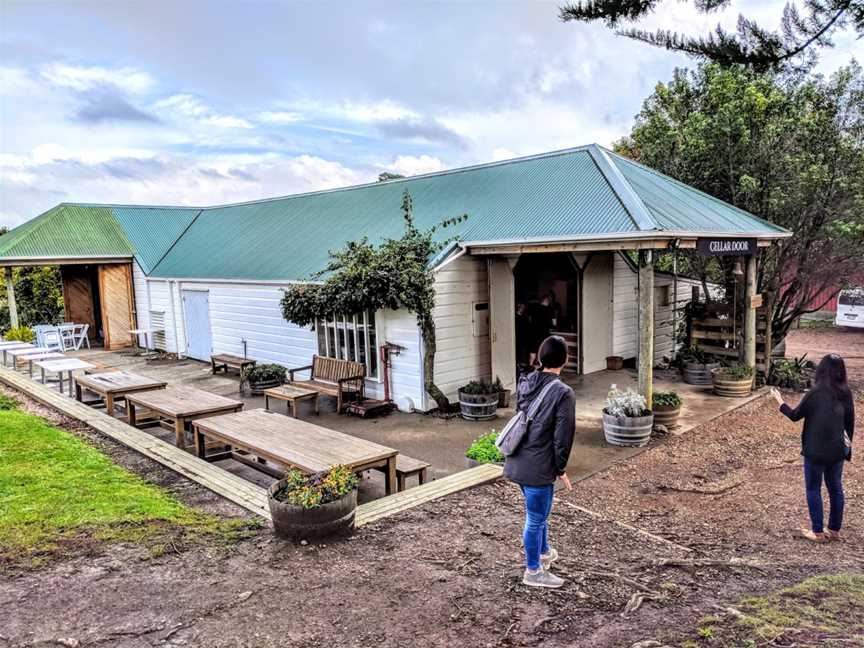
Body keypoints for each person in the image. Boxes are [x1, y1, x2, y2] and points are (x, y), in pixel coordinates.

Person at [504, 335, 576, 588]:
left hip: (519, 461)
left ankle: (544, 552)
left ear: (541, 357)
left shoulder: (527, 382)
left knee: (538, 515)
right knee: (535, 519)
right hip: (539, 466)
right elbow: (562, 437)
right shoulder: (563, 392)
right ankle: (533, 571)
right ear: (565, 359)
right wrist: (561, 468)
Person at [772, 353, 855, 543]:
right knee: (835, 488)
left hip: (815, 450)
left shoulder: (815, 393)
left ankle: (817, 532)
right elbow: (850, 424)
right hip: (837, 450)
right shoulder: (846, 393)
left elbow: (794, 416)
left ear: (822, 371)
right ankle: (834, 530)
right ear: (841, 372)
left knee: (813, 488)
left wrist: (780, 401)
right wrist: (847, 450)